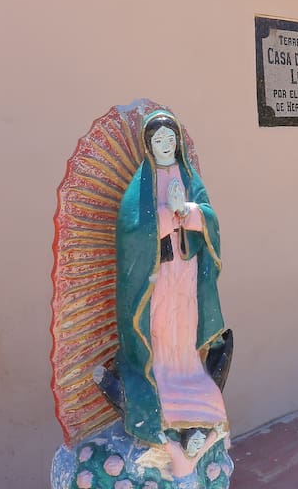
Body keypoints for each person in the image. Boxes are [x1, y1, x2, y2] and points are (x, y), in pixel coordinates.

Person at [96, 110, 232, 472]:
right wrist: (165, 217)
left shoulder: (188, 177)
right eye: (158, 140)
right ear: (148, 145)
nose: (165, 145)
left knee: (185, 328)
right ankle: (161, 388)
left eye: (170, 139)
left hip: (185, 271)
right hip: (156, 278)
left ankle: (192, 388)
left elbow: (210, 217)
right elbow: (130, 230)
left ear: (178, 143)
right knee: (158, 328)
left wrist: (187, 211)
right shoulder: (140, 185)